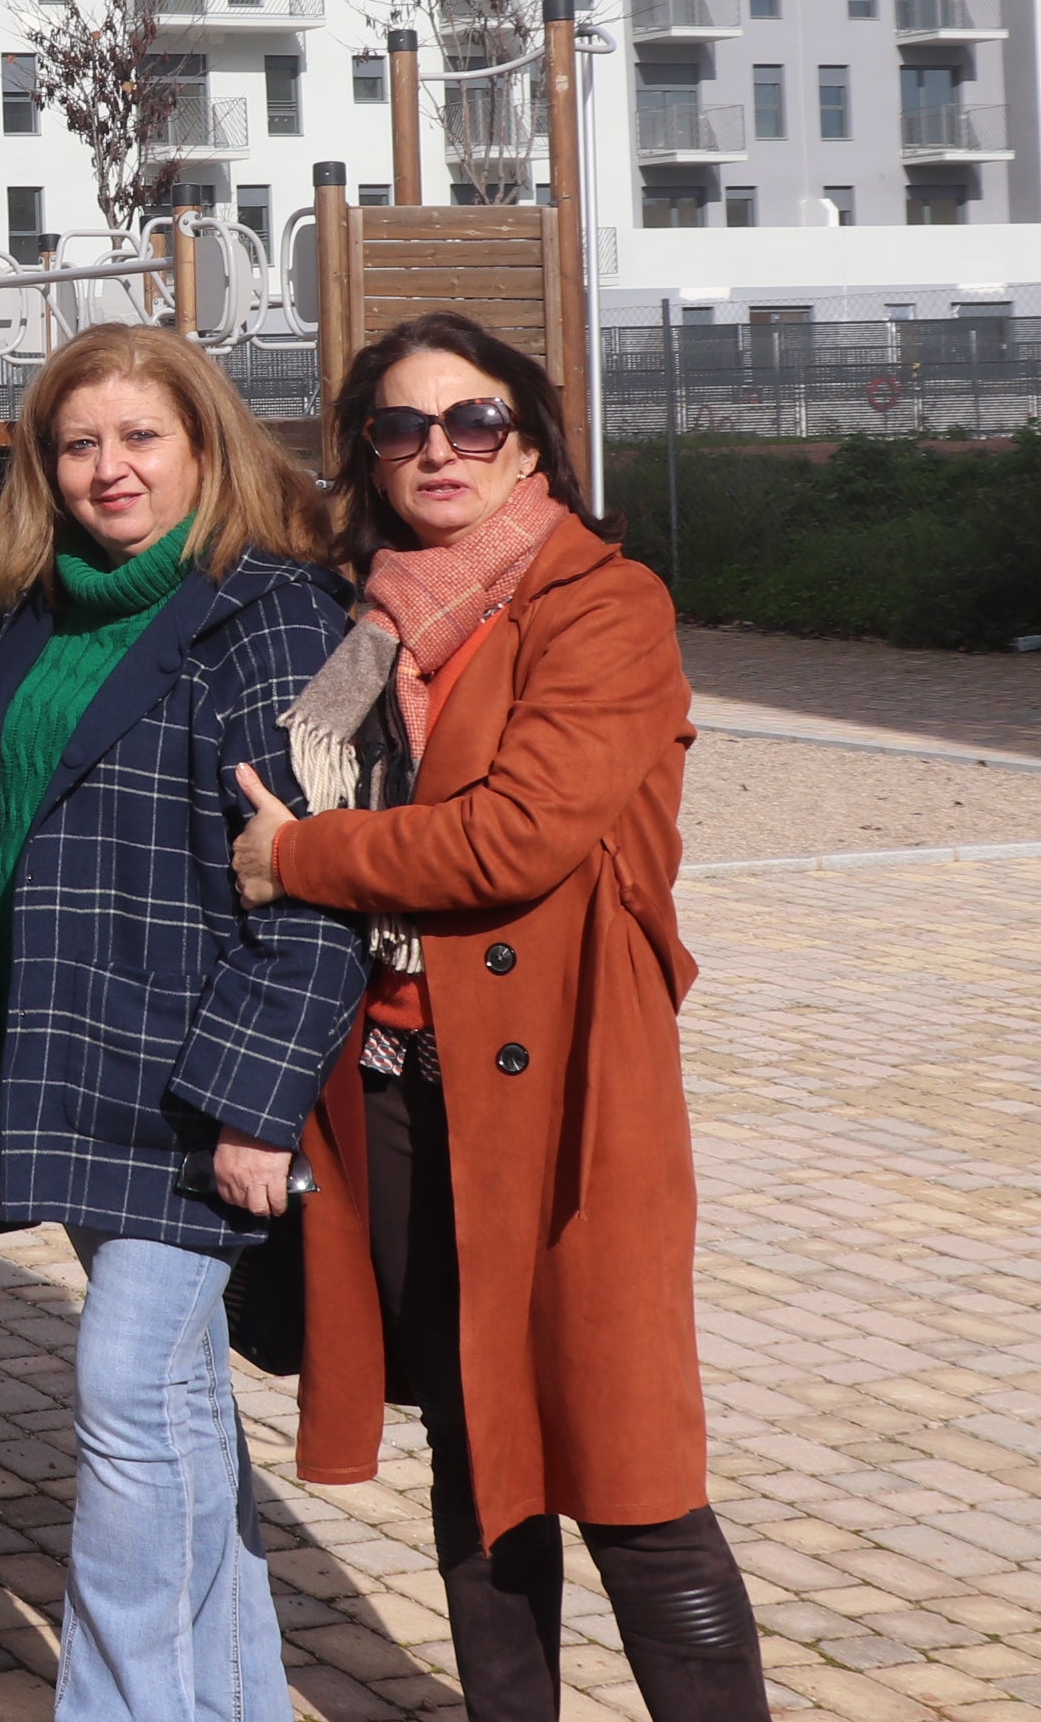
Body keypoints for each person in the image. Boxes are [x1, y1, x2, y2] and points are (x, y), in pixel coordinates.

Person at [230, 315, 769, 1722]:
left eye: (472, 421)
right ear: (368, 452)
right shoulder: (368, 616)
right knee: (482, 1449)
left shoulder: (603, 603)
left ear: (527, 436)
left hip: (571, 1094)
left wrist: (301, 857)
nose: (437, 450)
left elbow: (512, 838)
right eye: (401, 427)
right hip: (405, 1087)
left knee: (634, 1467)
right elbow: (306, 759)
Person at [0, 326, 364, 1722]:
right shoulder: (53, 608)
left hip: (191, 1081)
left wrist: (256, 1102)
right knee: (176, 1415)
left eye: (140, 440)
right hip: (68, 1058)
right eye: (77, 445)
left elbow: (323, 882)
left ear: (205, 449)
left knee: (125, 1391)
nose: (108, 469)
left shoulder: (282, 616)